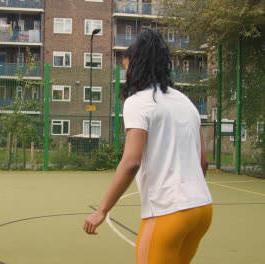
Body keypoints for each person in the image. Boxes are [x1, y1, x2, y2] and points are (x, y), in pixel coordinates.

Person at [83, 29, 213, 264]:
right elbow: (203, 161)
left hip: (168, 212)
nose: (126, 73)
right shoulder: (186, 102)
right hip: (202, 209)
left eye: (126, 68)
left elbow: (132, 161)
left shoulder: (138, 102)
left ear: (137, 66)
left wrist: (102, 210)